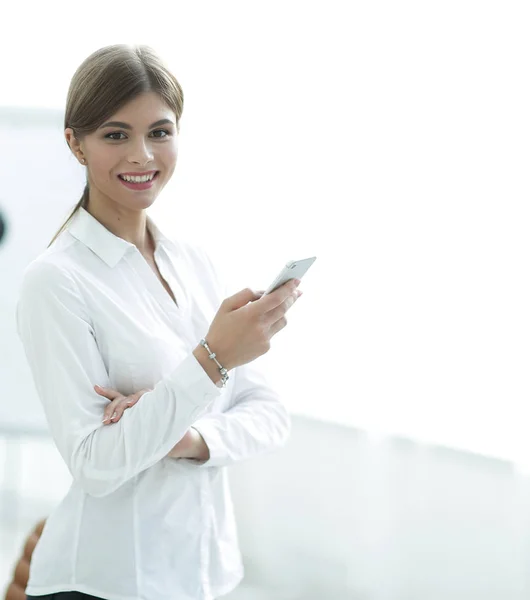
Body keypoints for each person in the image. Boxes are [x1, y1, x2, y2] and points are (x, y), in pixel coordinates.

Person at [16, 44, 302, 600]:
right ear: (75, 143)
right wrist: (212, 360)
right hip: (103, 581)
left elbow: (269, 416)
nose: (142, 155)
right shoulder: (56, 282)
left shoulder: (194, 262)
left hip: (201, 574)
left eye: (161, 132)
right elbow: (96, 466)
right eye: (115, 135)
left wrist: (182, 436)